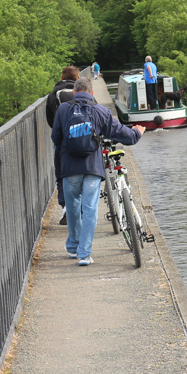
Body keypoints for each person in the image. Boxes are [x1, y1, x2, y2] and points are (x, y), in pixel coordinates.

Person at [51, 77, 145, 265]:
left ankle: (73, 247)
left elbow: (56, 138)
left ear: (74, 92)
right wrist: (136, 133)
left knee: (73, 207)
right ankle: (84, 254)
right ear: (92, 93)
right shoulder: (100, 111)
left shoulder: (63, 110)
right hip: (92, 168)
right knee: (90, 209)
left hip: (70, 168)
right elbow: (119, 132)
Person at [47, 65, 79, 225]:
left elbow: (50, 120)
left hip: (62, 142)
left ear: (61, 77)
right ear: (78, 79)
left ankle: (66, 206)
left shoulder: (54, 94)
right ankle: (79, 205)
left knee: (61, 175)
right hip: (81, 138)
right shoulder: (82, 93)